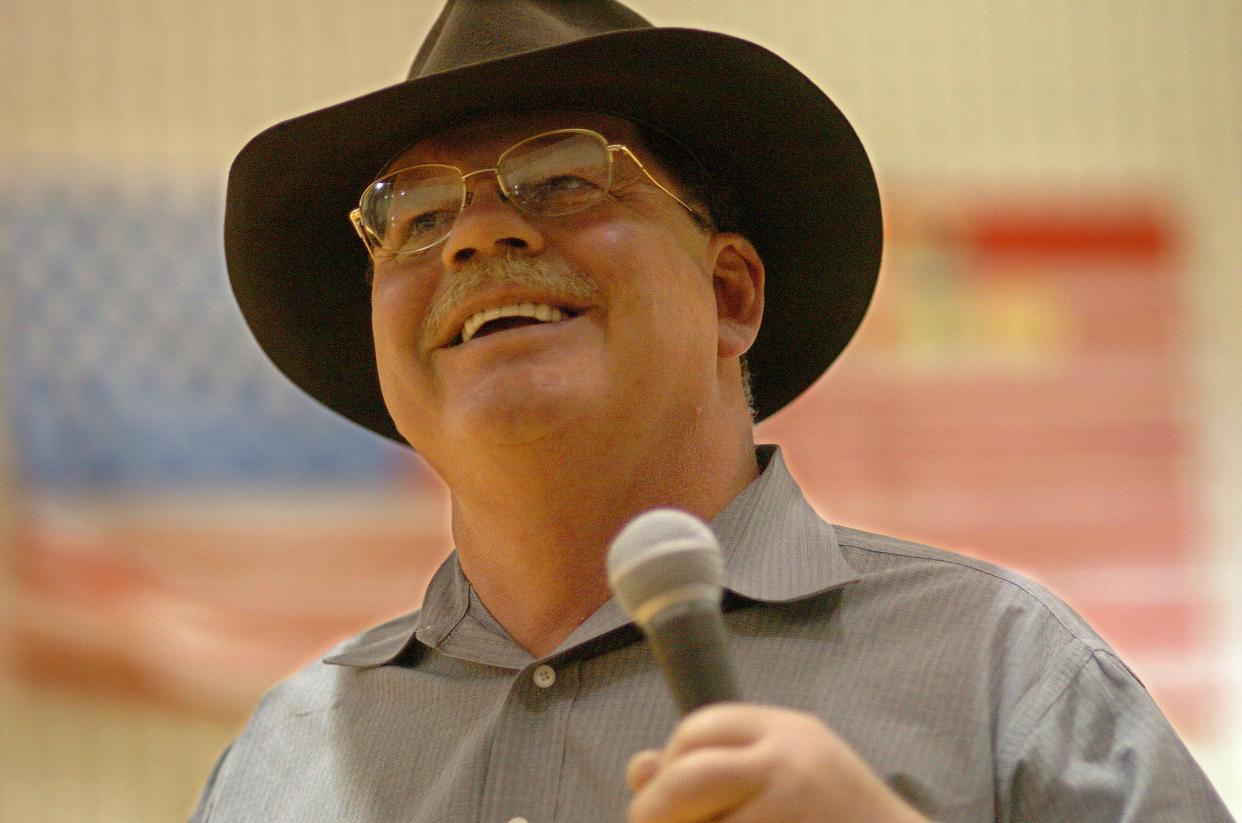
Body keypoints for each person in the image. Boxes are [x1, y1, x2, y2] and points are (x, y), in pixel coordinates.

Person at [195, 1, 1233, 821]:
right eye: (412, 216)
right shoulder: (282, 763)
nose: (473, 237)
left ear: (729, 295)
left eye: (561, 177)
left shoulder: (1008, 676)